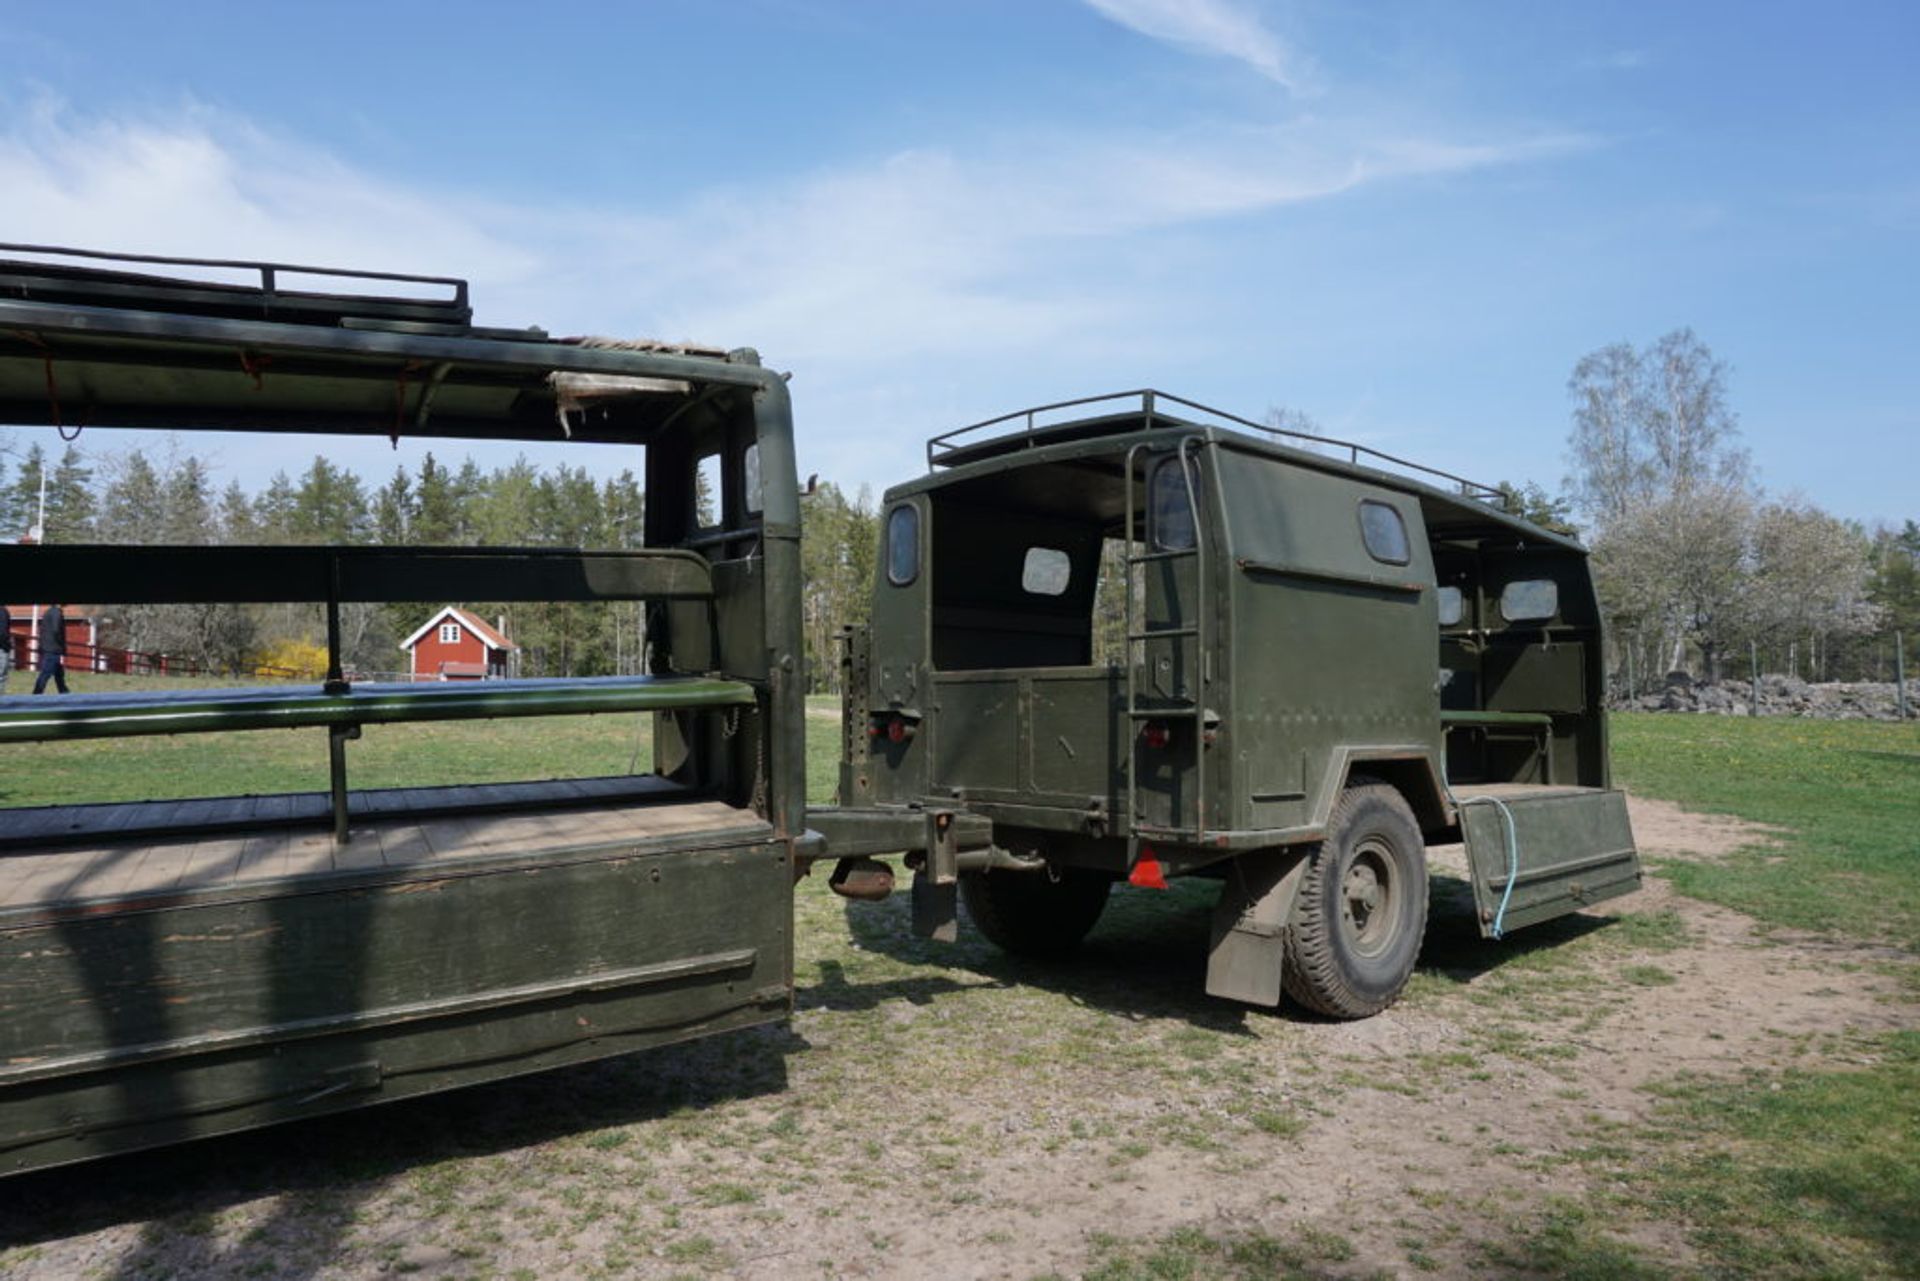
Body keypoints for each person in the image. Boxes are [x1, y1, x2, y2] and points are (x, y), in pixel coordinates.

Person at [33, 603, 69, 695]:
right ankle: (36, 694)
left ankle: (64, 693)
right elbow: (56, 630)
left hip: (49, 647)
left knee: (59, 675)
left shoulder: (48, 612)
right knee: (46, 673)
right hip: (53, 648)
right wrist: (62, 644)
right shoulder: (56, 613)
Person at [0, 603, 11, 693]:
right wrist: (5, 645)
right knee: (2, 673)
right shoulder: (3, 612)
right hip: (2, 647)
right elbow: (3, 632)